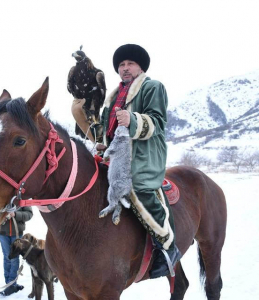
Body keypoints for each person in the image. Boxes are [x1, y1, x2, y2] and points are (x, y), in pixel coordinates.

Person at [75, 44, 181, 278]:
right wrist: (103, 141)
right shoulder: (113, 97)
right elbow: (110, 131)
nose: (125, 68)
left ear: (140, 66)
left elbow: (157, 122)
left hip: (143, 158)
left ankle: (168, 247)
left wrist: (132, 119)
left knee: (140, 191)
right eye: (121, 65)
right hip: (116, 158)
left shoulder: (152, 87)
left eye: (130, 63)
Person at [0, 206, 33, 296]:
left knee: (14, 258)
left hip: (17, 234)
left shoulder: (21, 197)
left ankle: (11, 284)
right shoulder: (1, 196)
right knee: (7, 258)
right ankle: (9, 284)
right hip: (3, 234)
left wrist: (16, 214)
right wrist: (2, 216)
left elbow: (29, 214)